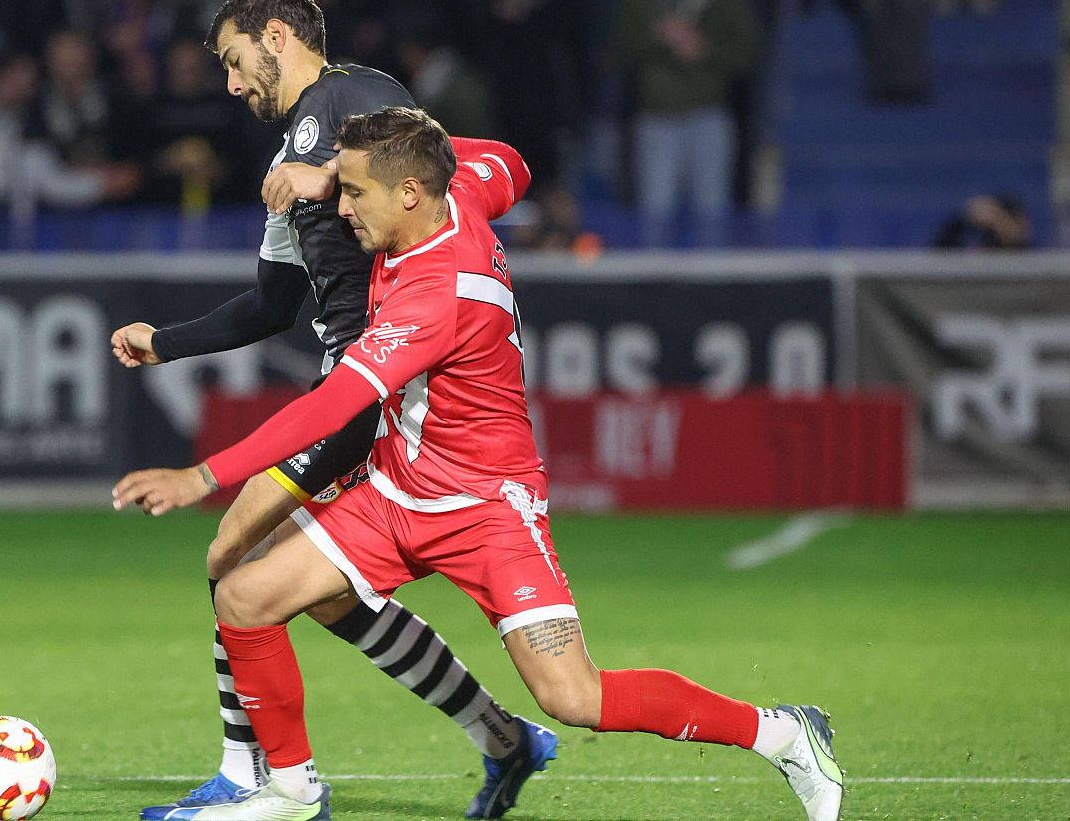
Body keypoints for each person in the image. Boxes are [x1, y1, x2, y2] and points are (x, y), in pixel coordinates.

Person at [113, 107, 844, 821]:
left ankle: (781, 734)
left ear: (407, 194)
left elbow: (331, 405)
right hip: (396, 489)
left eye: (355, 194)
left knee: (573, 698)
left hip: (488, 508)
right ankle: (291, 790)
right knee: (245, 598)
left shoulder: (437, 295)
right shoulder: (457, 188)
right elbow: (514, 162)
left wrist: (201, 477)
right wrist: (335, 169)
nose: (342, 210)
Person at [108, 0, 554, 821]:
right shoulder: (285, 163)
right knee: (324, 595)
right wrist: (164, 341)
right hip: (344, 382)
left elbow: (454, 173)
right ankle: (501, 736)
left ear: (278, 36)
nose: (232, 86)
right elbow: (272, 305)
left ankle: (261, 777)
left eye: (237, 63)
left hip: (375, 388)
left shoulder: (363, 101)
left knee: (231, 558)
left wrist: (327, 177)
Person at [617, 0, 758, 248]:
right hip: (657, 115)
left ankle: (714, 290)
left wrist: (703, 48)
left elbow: (746, 51)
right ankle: (655, 287)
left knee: (712, 212)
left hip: (709, 113)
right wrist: (660, 37)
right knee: (656, 213)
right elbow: (622, 47)